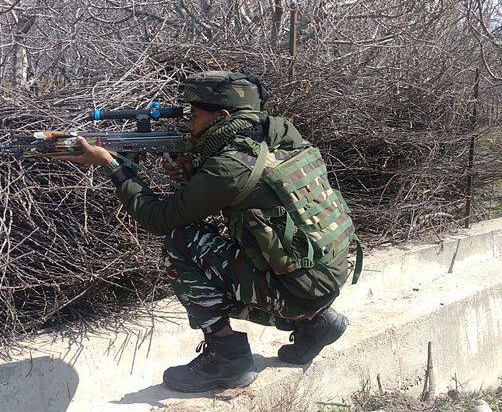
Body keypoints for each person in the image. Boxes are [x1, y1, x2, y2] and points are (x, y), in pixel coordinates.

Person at [58, 69, 360, 393]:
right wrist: (196, 174)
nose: (188, 125)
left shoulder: (229, 166)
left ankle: (227, 356)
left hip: (296, 292)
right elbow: (255, 194)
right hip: (326, 278)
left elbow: (157, 218)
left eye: (195, 115)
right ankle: (317, 324)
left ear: (223, 116)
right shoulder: (281, 136)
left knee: (181, 241)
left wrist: (112, 165)